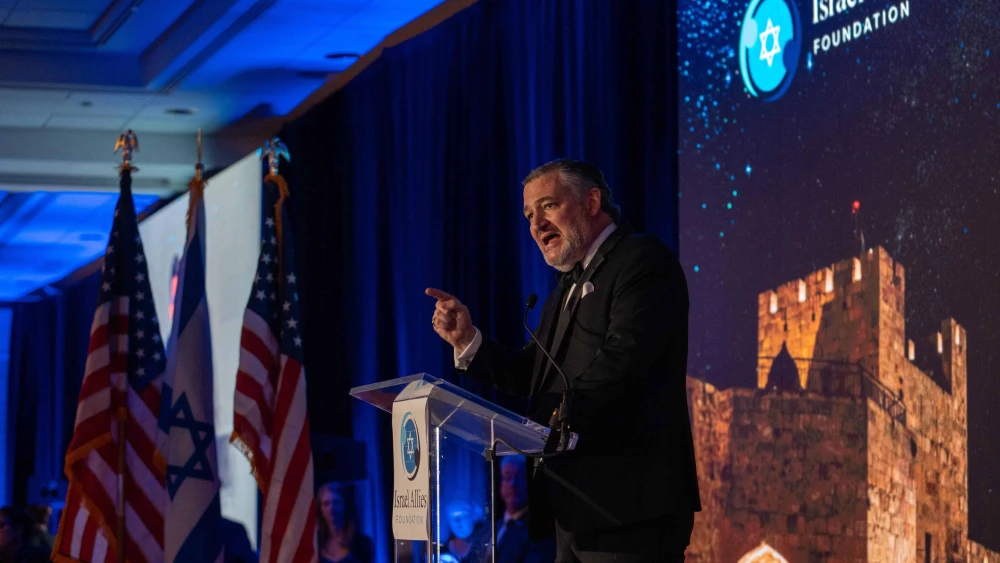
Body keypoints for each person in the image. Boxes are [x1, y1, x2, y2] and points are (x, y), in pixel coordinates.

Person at [426, 159, 700, 562]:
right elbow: (536, 375)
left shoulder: (641, 261)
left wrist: (549, 424)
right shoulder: (565, 288)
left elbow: (622, 362)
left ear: (591, 202)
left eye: (548, 206)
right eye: (529, 214)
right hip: (573, 507)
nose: (536, 224)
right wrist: (469, 341)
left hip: (629, 509)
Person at [495, 456, 555, 563]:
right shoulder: (492, 528)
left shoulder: (538, 531)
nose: (513, 484)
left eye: (519, 476)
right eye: (507, 477)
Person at [316, 482, 372, 563]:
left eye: (336, 502)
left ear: (345, 505)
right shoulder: (315, 543)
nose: (331, 508)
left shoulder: (362, 543)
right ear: (320, 509)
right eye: (326, 503)